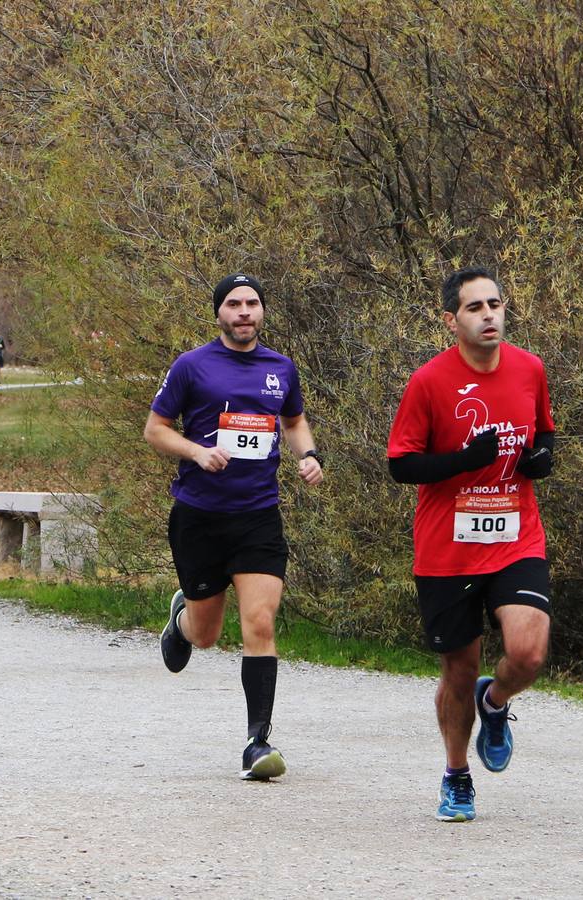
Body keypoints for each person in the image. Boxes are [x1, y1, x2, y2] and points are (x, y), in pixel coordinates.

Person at [386, 266, 556, 823]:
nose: (488, 315)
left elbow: (544, 433)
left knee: (528, 653)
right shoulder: (429, 381)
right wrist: (463, 461)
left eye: (495, 304)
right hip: (448, 549)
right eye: (475, 307)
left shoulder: (530, 368)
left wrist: (541, 459)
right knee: (458, 670)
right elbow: (401, 465)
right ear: (451, 320)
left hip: (516, 537)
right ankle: (457, 776)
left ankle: (496, 701)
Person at [145, 273, 325, 781]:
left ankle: (257, 742)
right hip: (199, 517)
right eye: (233, 303)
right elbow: (155, 430)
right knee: (206, 635)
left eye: (252, 303)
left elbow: (293, 421)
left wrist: (309, 455)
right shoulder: (191, 366)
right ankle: (182, 621)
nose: (244, 311)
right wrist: (196, 452)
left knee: (260, 623)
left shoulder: (280, 368)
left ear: (262, 311)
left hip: (257, 516)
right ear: (219, 313)